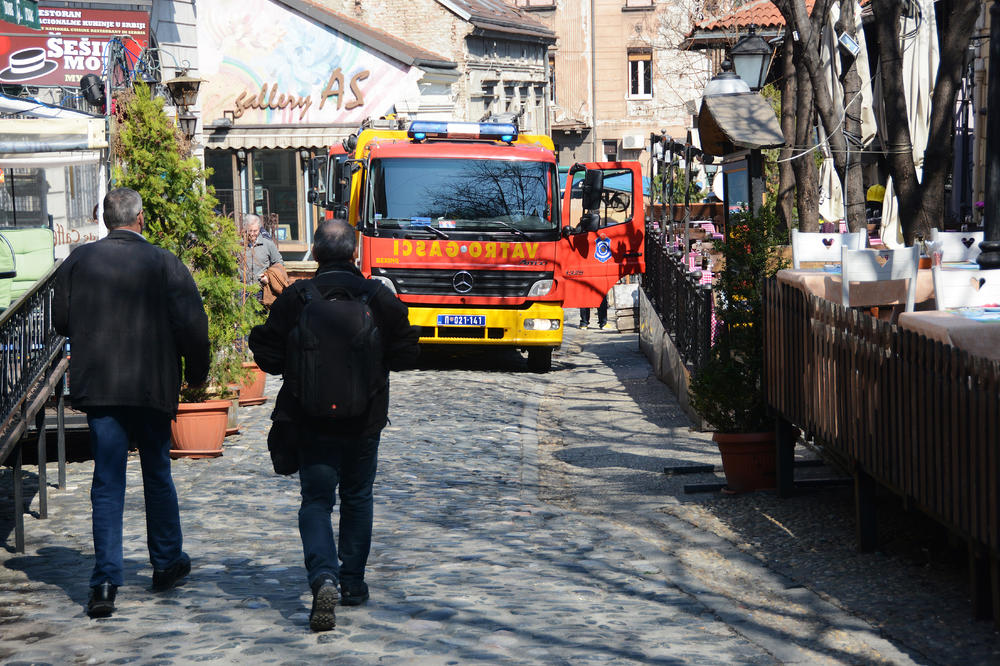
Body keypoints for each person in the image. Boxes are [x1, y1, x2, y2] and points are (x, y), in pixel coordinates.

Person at [248, 219, 419, 632]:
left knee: (316, 501)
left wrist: (298, 363)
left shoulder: (297, 297)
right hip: (365, 419)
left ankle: (323, 575)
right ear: (355, 253)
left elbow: (267, 355)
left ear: (317, 255)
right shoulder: (377, 296)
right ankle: (353, 582)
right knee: (358, 496)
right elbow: (408, 352)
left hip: (310, 419)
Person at [53, 187, 210, 618]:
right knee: (157, 474)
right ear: (140, 219)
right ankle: (165, 563)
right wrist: (197, 373)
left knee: (107, 483)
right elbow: (192, 325)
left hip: (102, 385)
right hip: (151, 385)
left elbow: (60, 319)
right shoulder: (163, 262)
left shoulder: (79, 261)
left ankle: (104, 580)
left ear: (106, 220)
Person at [240, 214, 283, 297]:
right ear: (245, 229)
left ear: (259, 229)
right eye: (250, 230)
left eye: (255, 231)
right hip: (242, 291)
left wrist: (269, 277)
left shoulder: (267, 243)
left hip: (261, 291)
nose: (252, 234)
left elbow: (279, 263)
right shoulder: (239, 244)